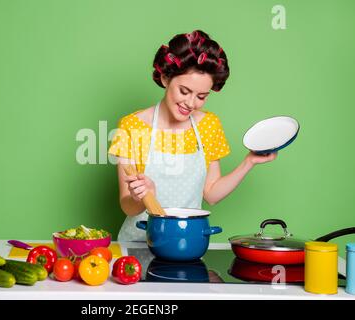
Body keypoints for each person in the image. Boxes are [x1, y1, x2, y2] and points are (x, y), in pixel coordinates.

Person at [108, 30, 277, 242]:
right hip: (138, 244)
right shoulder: (131, 126)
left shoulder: (209, 125)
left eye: (201, 96)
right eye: (184, 91)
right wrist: (142, 196)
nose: (191, 103)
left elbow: (211, 194)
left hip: (186, 243)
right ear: (165, 78)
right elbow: (128, 207)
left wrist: (249, 162)